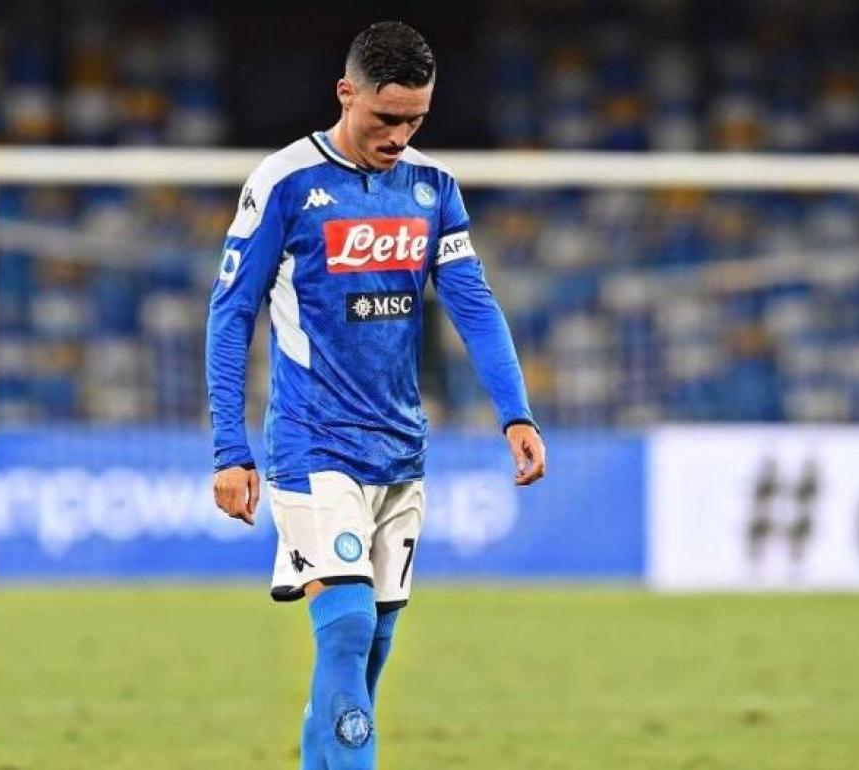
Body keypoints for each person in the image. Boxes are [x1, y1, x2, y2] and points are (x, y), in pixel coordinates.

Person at [206, 20, 545, 769]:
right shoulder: (285, 182)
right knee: (349, 627)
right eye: (385, 118)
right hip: (313, 440)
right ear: (345, 93)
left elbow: (473, 304)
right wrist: (231, 449)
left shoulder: (432, 189)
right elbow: (231, 314)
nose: (399, 135)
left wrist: (515, 412)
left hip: (399, 447)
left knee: (374, 645)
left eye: (415, 119)